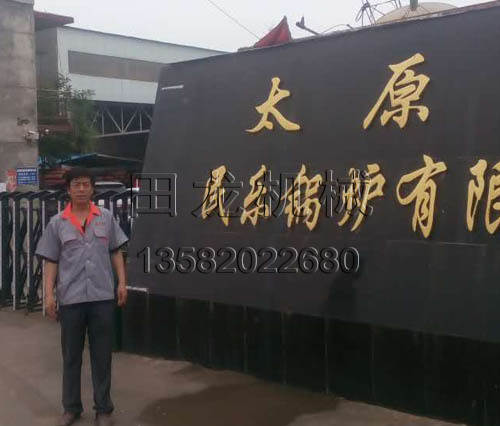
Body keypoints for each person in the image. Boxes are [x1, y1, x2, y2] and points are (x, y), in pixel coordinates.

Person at [36, 167, 129, 426]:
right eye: (76, 184)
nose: (81, 189)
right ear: (68, 189)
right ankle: (71, 408)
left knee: (102, 356)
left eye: (85, 184)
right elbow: (51, 261)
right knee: (71, 357)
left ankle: (104, 409)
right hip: (71, 300)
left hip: (101, 298)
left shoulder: (105, 218)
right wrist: (49, 295)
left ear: (92, 188)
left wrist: (122, 283)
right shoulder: (57, 223)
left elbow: (115, 251)